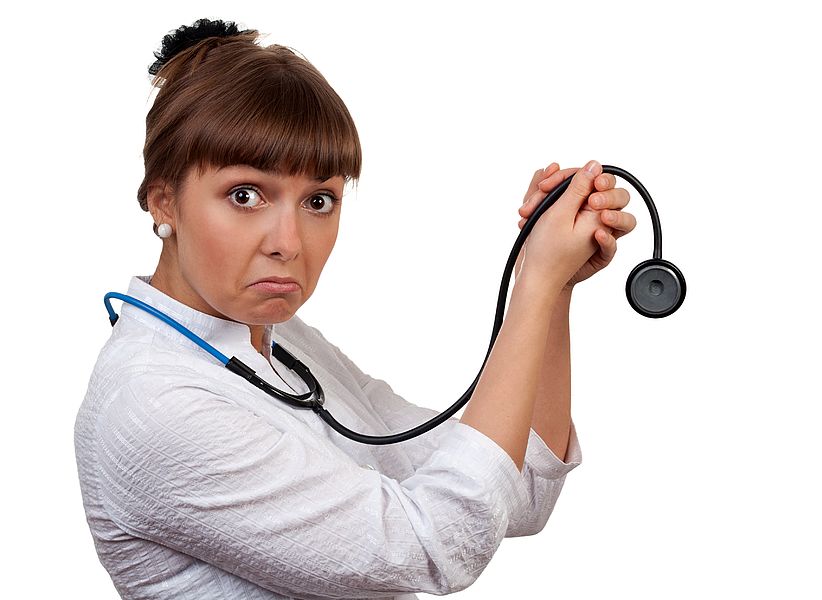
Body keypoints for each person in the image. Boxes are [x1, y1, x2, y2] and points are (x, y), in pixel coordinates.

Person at [73, 18, 636, 600]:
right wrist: (534, 286)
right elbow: (435, 544)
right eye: (246, 195)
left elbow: (515, 491)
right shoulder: (154, 403)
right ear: (164, 199)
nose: (288, 242)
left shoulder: (282, 341)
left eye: (319, 200)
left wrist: (554, 287)